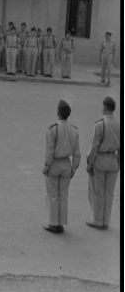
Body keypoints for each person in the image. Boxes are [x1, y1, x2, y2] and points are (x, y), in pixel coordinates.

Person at [42, 100, 80, 233]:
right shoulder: (74, 130)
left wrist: (46, 167)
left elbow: (50, 152)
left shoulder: (52, 129)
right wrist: (74, 168)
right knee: (63, 195)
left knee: (53, 195)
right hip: (66, 164)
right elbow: (77, 153)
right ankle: (61, 222)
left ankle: (53, 223)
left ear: (58, 112)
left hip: (54, 164)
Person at [86, 96, 120, 230]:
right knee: (109, 193)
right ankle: (106, 221)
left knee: (97, 191)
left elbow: (94, 147)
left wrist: (89, 164)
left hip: (100, 160)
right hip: (113, 160)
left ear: (105, 107)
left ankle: (98, 220)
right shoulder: (119, 125)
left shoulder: (100, 125)